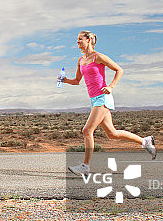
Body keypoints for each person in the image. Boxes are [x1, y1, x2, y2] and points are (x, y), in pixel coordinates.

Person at [60, 30, 156, 175]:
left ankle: (85, 166)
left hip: (102, 98)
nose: (77, 42)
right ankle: (145, 141)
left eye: (80, 39)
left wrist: (111, 86)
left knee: (87, 130)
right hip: (94, 99)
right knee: (112, 133)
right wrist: (65, 80)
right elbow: (77, 81)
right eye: (77, 40)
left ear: (89, 40)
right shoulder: (80, 60)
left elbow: (119, 70)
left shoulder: (98, 57)